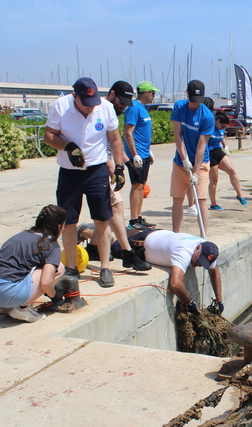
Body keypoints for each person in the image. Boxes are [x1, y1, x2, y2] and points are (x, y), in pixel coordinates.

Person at [44, 77, 128, 289]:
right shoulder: (60, 107)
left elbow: (115, 139)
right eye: (85, 105)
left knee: (102, 218)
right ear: (75, 97)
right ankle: (71, 267)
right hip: (70, 172)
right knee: (68, 220)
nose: (91, 109)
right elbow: (48, 136)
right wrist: (68, 146)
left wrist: (119, 167)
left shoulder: (106, 108)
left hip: (97, 170)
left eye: (93, 105)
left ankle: (106, 267)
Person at [80, 225, 223, 315]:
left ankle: (122, 230)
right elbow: (176, 283)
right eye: (198, 260)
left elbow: (214, 272)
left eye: (202, 263)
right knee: (112, 245)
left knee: (128, 234)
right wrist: (189, 303)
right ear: (197, 248)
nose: (198, 264)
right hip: (143, 245)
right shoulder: (184, 252)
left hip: (160, 235)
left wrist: (219, 300)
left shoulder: (206, 247)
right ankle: (85, 232)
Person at [0, 205, 66, 323]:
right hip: (5, 292)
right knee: (58, 267)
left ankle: (6, 306)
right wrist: (55, 296)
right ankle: (22, 308)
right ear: (59, 226)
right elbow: (46, 282)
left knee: (24, 267)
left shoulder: (21, 236)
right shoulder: (51, 245)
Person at [102, 81, 152, 272]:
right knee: (110, 212)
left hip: (106, 167)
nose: (123, 106)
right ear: (112, 94)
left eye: (126, 103)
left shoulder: (113, 114)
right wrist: (112, 166)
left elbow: (115, 144)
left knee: (112, 210)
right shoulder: (101, 110)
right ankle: (125, 253)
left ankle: (120, 251)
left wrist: (125, 165)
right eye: (121, 101)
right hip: (91, 169)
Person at [171, 80, 215, 235]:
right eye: (192, 100)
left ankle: (203, 237)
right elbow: (177, 135)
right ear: (187, 94)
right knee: (177, 199)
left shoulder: (207, 117)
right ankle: (175, 235)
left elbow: (201, 147)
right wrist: (184, 159)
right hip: (180, 163)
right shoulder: (179, 107)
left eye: (198, 101)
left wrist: (195, 172)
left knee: (201, 200)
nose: (195, 104)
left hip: (201, 163)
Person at [124, 81, 159, 230]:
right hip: (136, 154)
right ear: (146, 93)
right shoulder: (134, 107)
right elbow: (128, 132)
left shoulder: (143, 109)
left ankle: (138, 216)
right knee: (137, 185)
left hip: (144, 152)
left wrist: (148, 151)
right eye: (153, 93)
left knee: (142, 185)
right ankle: (133, 219)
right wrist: (135, 154)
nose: (154, 96)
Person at [207, 111, 248, 210]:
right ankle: (213, 203)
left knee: (232, 171)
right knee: (214, 180)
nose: (223, 128)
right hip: (209, 152)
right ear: (217, 121)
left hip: (218, 150)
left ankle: (240, 195)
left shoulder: (221, 129)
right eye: (222, 126)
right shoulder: (209, 126)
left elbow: (222, 137)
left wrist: (226, 146)